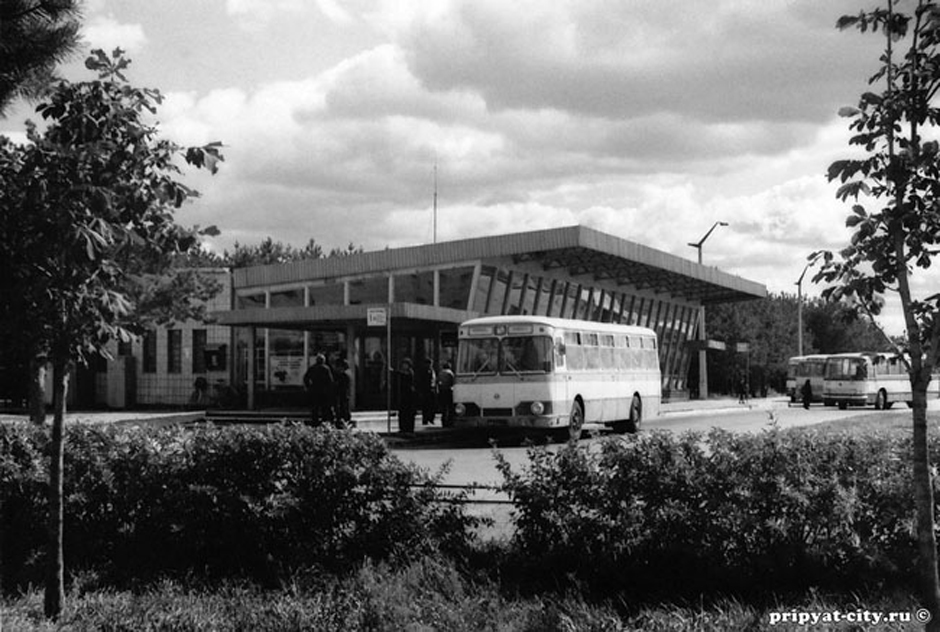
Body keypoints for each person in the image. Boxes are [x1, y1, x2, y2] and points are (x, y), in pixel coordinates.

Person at [303, 354, 334, 427]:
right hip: (323, 391)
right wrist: (330, 390)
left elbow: (306, 378)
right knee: (324, 407)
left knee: (315, 408)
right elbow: (330, 380)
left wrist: (309, 386)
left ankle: (315, 422)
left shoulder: (312, 368)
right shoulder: (326, 368)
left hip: (314, 390)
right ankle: (324, 422)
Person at [415, 356, 437, 425]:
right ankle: (426, 419)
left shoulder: (432, 370)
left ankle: (430, 418)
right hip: (426, 390)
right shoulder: (424, 371)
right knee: (426, 406)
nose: (430, 365)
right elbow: (421, 381)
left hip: (432, 390)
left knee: (432, 405)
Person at [397, 358, 416, 433]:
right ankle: (403, 428)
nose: (404, 366)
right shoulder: (402, 373)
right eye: (403, 364)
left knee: (408, 413)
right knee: (402, 413)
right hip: (403, 395)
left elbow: (405, 376)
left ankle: (408, 428)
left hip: (409, 395)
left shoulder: (410, 372)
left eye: (405, 364)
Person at [334, 358, 353, 428]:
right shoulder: (348, 373)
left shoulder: (344, 375)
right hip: (346, 393)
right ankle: (345, 420)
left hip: (343, 393)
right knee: (345, 407)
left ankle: (344, 421)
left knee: (343, 407)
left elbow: (341, 385)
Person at [437, 361, 455, 427]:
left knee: (443, 407)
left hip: (441, 391)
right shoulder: (450, 373)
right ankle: (449, 421)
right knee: (450, 407)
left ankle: (443, 421)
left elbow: (438, 381)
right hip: (448, 391)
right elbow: (453, 382)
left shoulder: (440, 373)